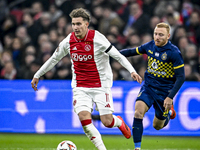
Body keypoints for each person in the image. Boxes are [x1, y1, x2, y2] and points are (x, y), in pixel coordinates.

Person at [31, 8, 142, 150]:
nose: (75, 27)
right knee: (84, 118)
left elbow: (117, 55)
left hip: (100, 85)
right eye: (73, 24)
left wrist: (132, 71)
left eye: (78, 24)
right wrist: (37, 74)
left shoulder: (97, 38)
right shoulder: (69, 41)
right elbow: (54, 59)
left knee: (107, 122)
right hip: (80, 86)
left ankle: (119, 122)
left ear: (86, 24)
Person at [120, 22, 185, 150]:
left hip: (164, 92)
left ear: (168, 36)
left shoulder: (174, 53)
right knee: (138, 112)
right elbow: (132, 51)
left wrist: (170, 97)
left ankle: (169, 111)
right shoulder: (150, 46)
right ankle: (137, 148)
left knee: (157, 125)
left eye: (161, 35)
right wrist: (111, 53)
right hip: (148, 87)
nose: (157, 37)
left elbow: (181, 77)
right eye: (155, 34)